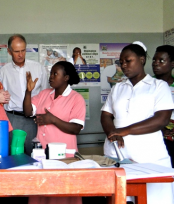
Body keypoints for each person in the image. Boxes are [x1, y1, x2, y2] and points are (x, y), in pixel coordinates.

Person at [101, 42, 174, 204]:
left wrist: (124, 131)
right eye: (121, 62)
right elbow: (106, 115)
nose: (124, 65)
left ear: (141, 60)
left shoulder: (158, 86)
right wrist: (112, 133)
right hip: (118, 154)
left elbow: (162, 119)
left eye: (128, 61)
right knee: (121, 198)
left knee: (153, 198)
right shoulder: (118, 88)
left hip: (148, 155)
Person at [23, 61, 85, 204]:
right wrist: (28, 91)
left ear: (66, 78)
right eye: (51, 73)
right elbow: (27, 112)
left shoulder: (76, 98)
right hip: (42, 155)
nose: (51, 77)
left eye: (55, 74)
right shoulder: (45, 94)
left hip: (65, 157)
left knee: (62, 196)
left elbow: (76, 128)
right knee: (41, 194)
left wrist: (52, 119)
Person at [0, 34, 48, 155]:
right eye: (16, 51)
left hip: (33, 120)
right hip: (13, 118)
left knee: (35, 154)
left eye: (23, 50)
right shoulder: (3, 72)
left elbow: (45, 94)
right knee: (12, 154)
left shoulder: (38, 68)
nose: (20, 55)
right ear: (9, 51)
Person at [152, 45, 174, 168]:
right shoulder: (147, 85)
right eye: (154, 60)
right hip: (153, 137)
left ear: (172, 64)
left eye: (161, 60)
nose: (156, 64)